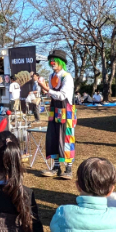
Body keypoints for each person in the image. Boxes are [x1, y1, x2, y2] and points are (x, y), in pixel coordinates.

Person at [36, 49, 77, 180]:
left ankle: (69, 168)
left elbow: (63, 95)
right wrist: (44, 89)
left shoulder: (67, 77)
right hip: (55, 109)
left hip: (67, 110)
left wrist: (47, 89)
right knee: (53, 136)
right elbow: (52, 93)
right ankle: (56, 167)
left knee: (66, 137)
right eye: (51, 61)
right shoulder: (51, 76)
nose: (52, 63)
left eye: (54, 61)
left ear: (61, 62)